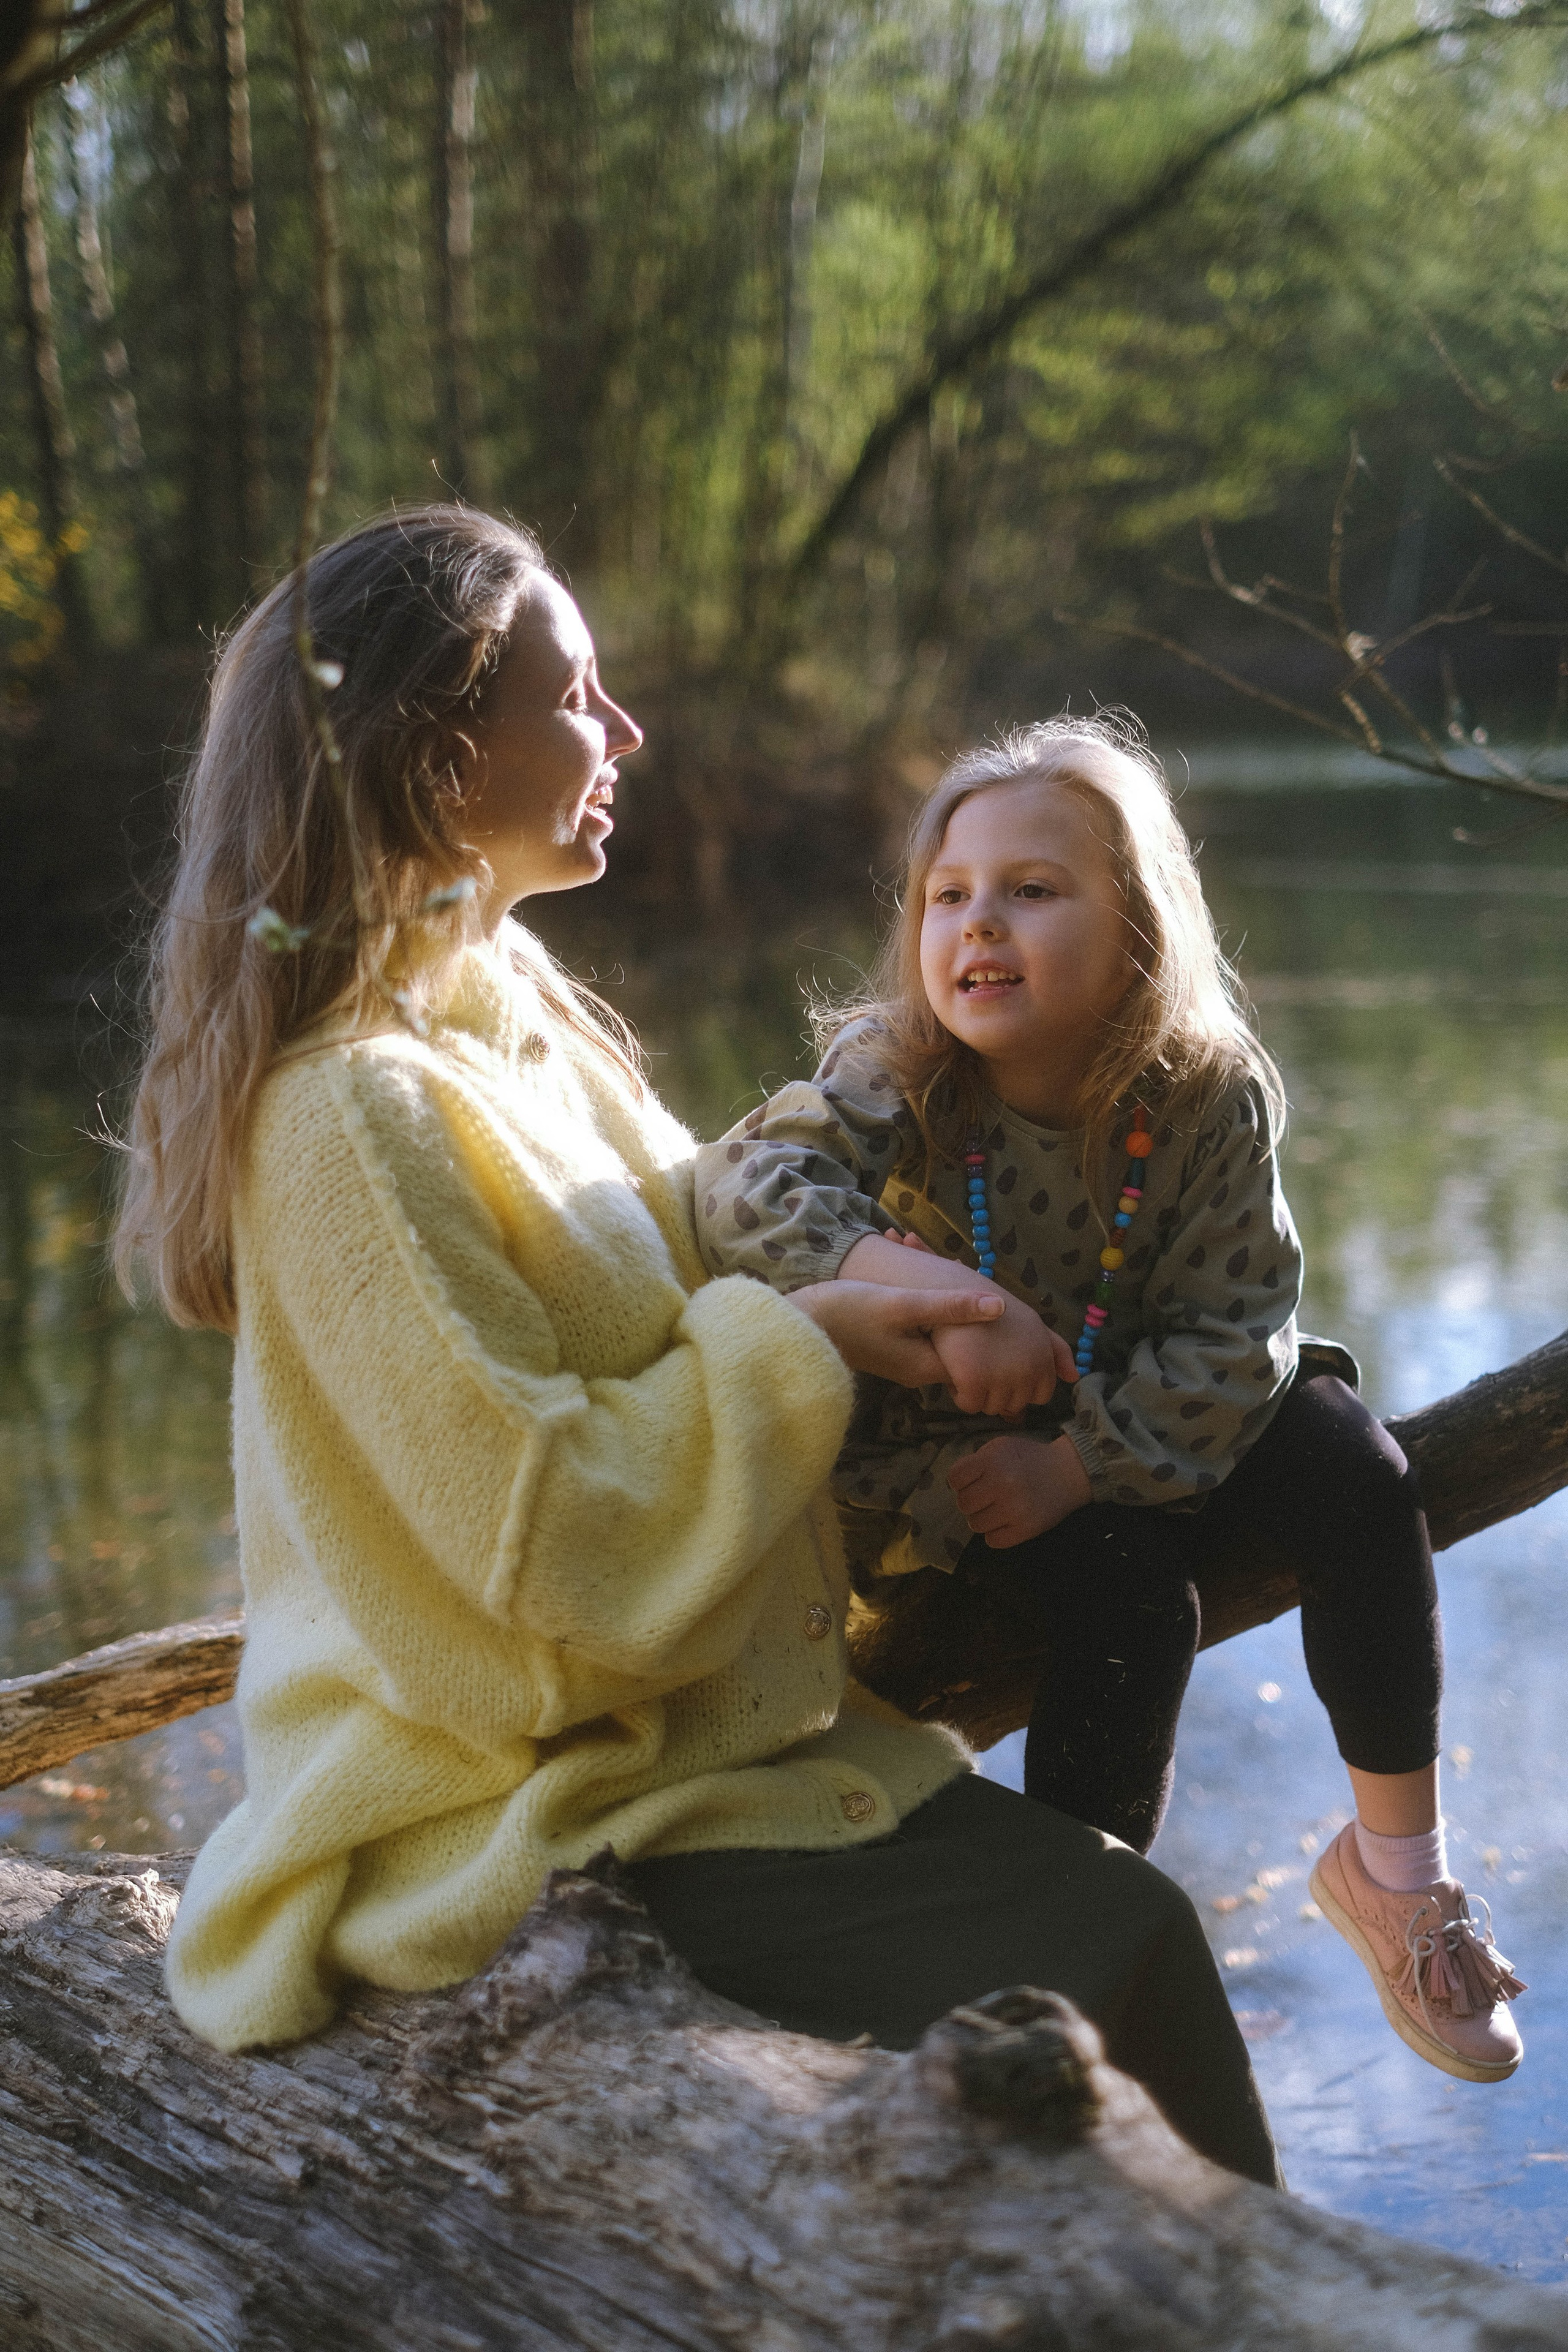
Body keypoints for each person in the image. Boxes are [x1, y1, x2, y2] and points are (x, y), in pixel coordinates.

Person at [114, 507, 1279, 2186]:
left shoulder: (521, 1019)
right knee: (1110, 1945)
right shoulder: (351, 1115)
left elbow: (717, 1251)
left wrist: (928, 1290)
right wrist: (813, 1339)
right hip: (508, 1806)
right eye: (576, 696)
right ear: (441, 752)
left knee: (1126, 1931)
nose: (627, 730)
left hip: (699, 1740)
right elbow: (555, 1550)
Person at [695, 714, 1526, 2086]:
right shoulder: (898, 1067)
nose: (979, 925)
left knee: (1362, 1476)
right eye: (948, 895)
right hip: (959, 1442)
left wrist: (1080, 1460)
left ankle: (1399, 1879)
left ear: (1138, 928)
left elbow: (1235, 1334)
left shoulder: (1204, 1090)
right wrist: (935, 1293)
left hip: (1169, 1395)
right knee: (1134, 1602)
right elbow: (742, 1188)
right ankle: (1071, 1963)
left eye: (1031, 890)